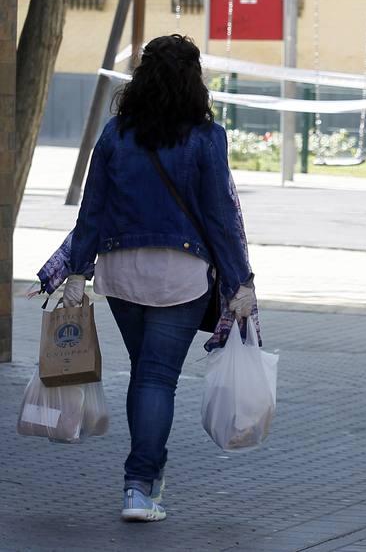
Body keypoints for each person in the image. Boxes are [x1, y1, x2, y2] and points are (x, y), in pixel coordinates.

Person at [44, 35, 256, 523]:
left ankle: (145, 481)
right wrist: (239, 281)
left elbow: (92, 209)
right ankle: (140, 486)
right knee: (157, 378)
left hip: (119, 273)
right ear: (193, 81)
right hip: (180, 276)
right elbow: (220, 216)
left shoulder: (116, 133)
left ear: (141, 78)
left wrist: (77, 272)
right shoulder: (207, 138)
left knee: (146, 374)